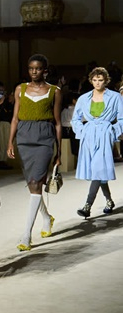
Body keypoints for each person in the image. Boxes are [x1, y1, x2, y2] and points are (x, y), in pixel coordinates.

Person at [7, 54, 62, 251]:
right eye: (31, 68)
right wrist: (10, 141)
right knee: (33, 186)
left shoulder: (54, 91)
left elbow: (57, 122)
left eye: (38, 68)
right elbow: (15, 118)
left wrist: (59, 152)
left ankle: (26, 235)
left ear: (45, 70)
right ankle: (47, 218)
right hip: (24, 138)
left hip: (44, 138)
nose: (34, 72)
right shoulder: (20, 89)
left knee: (36, 183)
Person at [72, 68, 123, 217]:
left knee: (98, 168)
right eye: (95, 80)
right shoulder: (84, 98)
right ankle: (109, 201)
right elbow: (75, 118)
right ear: (91, 81)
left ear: (106, 81)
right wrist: (81, 131)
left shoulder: (115, 97)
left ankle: (87, 206)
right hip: (88, 135)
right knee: (98, 171)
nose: (97, 83)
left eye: (100, 80)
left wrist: (112, 131)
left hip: (105, 134)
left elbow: (121, 118)